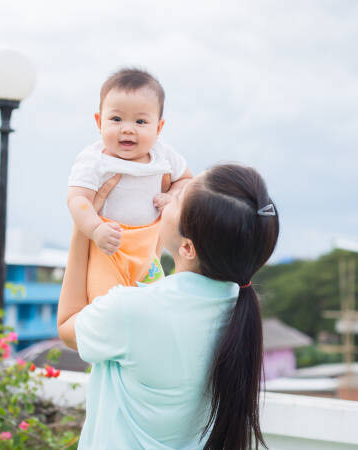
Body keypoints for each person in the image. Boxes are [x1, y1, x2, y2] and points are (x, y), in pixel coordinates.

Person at [58, 164, 279, 449]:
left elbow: (67, 325)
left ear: (187, 248)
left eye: (176, 199)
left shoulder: (133, 311)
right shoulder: (238, 309)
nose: (165, 198)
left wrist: (83, 226)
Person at [67, 68, 192, 301]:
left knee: (153, 300)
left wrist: (172, 196)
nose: (127, 128)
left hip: (148, 251)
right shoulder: (95, 159)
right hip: (109, 247)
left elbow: (186, 180)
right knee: (107, 303)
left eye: (140, 121)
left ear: (158, 128)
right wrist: (95, 229)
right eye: (116, 119)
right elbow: (77, 199)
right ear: (99, 121)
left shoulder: (162, 153)